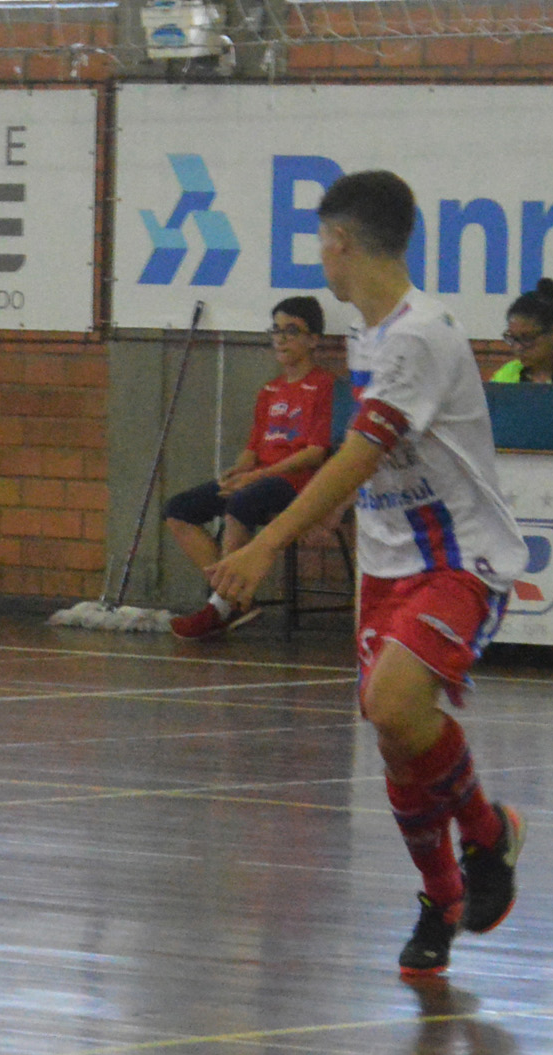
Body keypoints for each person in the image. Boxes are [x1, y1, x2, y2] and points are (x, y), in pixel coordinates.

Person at [206, 170, 526, 977]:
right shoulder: (366, 332)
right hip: (386, 564)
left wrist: (263, 542)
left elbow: (360, 453)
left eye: (322, 243)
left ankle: (487, 834)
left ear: (342, 245)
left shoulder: (421, 334)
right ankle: (441, 894)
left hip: (456, 555)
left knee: (391, 701)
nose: (321, 257)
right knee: (393, 737)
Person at [165, 296, 338, 640]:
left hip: (297, 483)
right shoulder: (269, 391)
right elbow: (252, 449)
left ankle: (221, 607)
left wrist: (256, 477)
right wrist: (236, 473)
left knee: (241, 502)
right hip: (259, 478)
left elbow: (315, 453)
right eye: (277, 330)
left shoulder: (324, 386)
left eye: (292, 331)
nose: (282, 339)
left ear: (313, 339)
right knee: (179, 510)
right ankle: (236, 598)